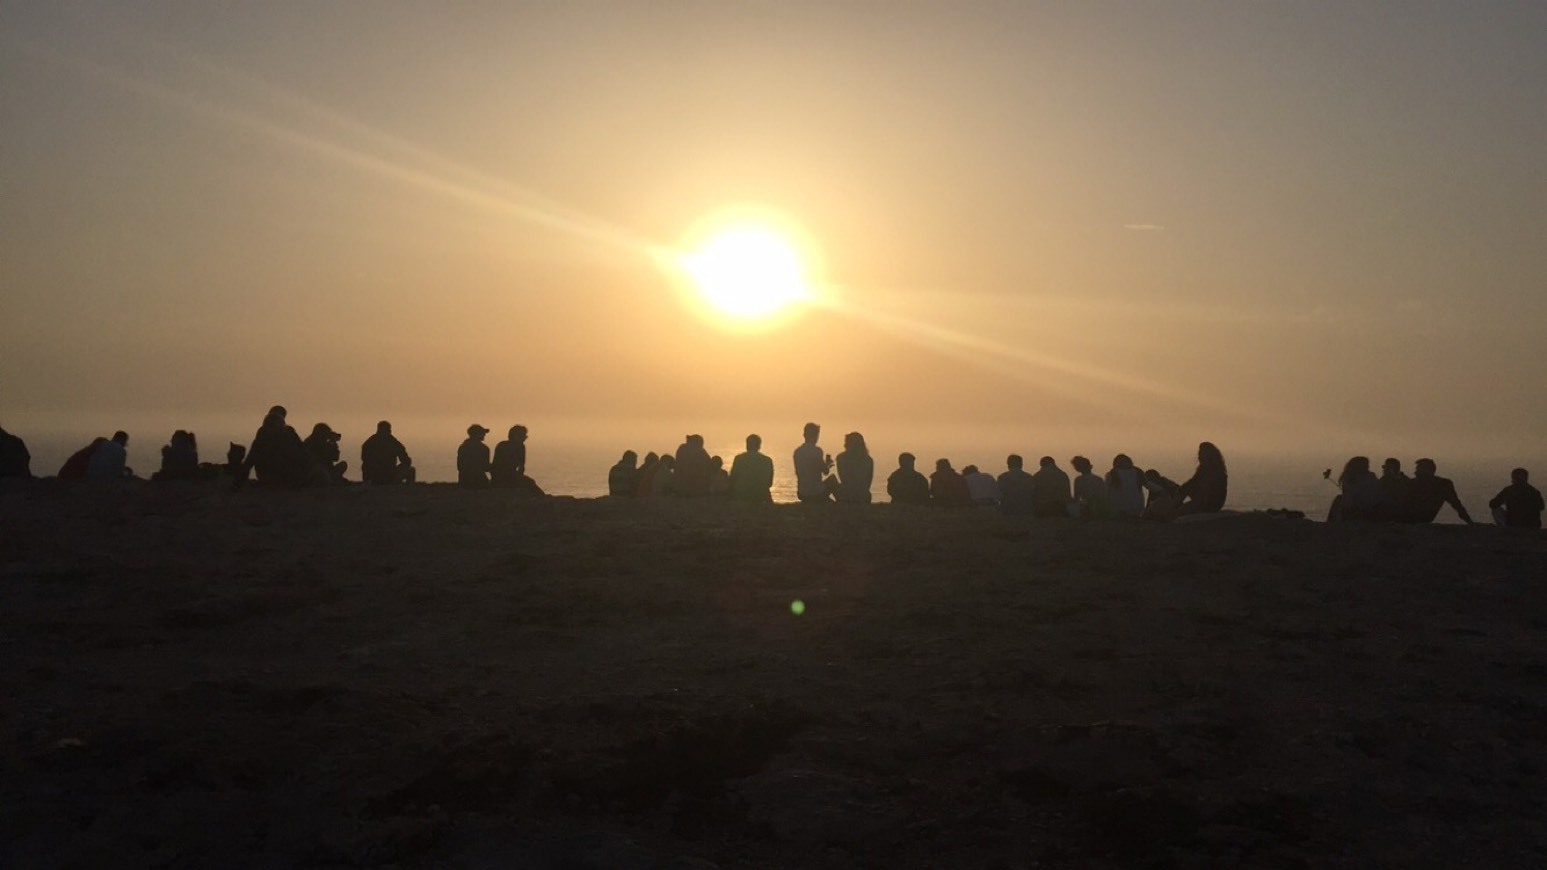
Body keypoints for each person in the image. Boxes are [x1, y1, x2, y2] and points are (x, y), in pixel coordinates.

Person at [241, 413, 311, 487]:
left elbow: (303, 454)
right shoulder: (263, 438)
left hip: (285, 476)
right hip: (271, 477)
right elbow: (251, 459)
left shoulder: (289, 435)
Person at [1404, 458, 1474, 524]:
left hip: (1417, 517)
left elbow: (1456, 504)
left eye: (1418, 470)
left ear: (1428, 471)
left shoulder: (1442, 485)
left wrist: (1469, 521)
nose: (1415, 473)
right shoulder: (1412, 483)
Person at [1177, 441, 1228, 514]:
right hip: (1204, 502)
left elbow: (1208, 491)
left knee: (1186, 488)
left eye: (1201, 454)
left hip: (1209, 505)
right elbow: (1191, 483)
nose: (1199, 457)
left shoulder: (1215, 472)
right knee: (1185, 487)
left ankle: (1173, 506)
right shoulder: (1204, 470)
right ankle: (1174, 505)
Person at [492, 425, 543, 494]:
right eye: (523, 436)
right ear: (515, 436)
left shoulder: (501, 445)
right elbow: (521, 467)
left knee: (529, 482)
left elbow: (494, 465)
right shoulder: (519, 447)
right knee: (530, 483)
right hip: (507, 477)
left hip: (499, 477)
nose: (525, 438)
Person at [1327, 456, 1381, 522]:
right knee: (1339, 499)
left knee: (1338, 499)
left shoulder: (1349, 477)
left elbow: (1348, 495)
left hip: (1357, 509)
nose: (1368, 467)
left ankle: (1330, 523)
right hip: (1365, 508)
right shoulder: (1370, 476)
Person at [793, 422, 836, 503]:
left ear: (804, 435)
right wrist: (828, 464)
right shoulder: (817, 451)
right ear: (816, 436)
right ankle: (844, 502)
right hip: (815, 491)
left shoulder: (797, 452)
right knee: (832, 479)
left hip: (802, 492)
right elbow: (825, 471)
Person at [729, 434, 775, 503]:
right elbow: (769, 483)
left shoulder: (739, 459)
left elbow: (733, 478)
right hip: (760, 495)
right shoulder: (767, 460)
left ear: (747, 445)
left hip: (741, 494)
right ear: (759, 446)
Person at [835, 431, 874, 504]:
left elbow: (843, 479)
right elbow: (868, 481)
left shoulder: (841, 458)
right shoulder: (869, 460)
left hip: (847, 495)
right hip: (863, 496)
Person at [1106, 454, 1145, 518]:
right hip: (1136, 509)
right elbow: (1149, 485)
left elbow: (1106, 492)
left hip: (1117, 510)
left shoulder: (1111, 474)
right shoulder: (1138, 472)